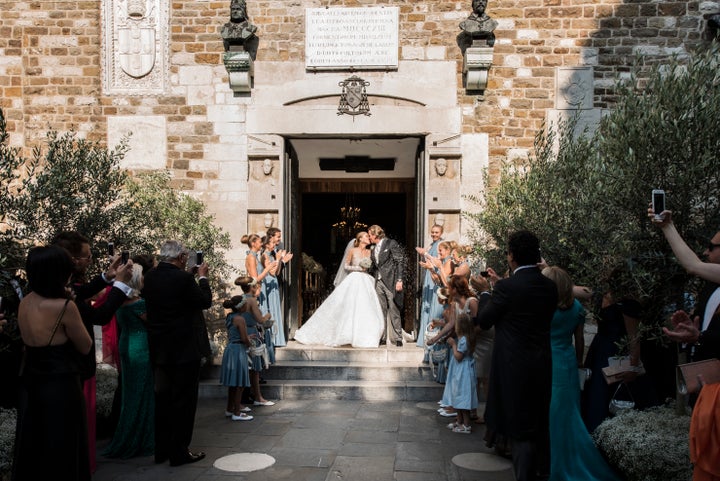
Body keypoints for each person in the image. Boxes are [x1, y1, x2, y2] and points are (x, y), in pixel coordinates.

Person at [475, 230, 558, 481]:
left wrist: (486, 292)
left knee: (520, 429)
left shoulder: (506, 287)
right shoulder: (550, 286)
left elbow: (485, 320)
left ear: (511, 257)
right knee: (537, 423)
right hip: (542, 363)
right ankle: (541, 471)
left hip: (513, 367)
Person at [52, 231, 133, 473]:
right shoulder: (64, 297)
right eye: (87, 257)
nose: (90, 260)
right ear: (73, 260)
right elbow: (100, 315)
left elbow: (82, 291)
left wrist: (106, 277)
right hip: (71, 368)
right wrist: (120, 284)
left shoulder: (59, 288)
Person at [650, 207, 720, 481]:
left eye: (712, 247)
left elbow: (693, 264)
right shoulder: (711, 288)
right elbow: (693, 264)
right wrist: (697, 334)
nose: (706, 251)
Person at [12, 245, 93, 481]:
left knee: (36, 445)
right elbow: (85, 345)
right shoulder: (65, 307)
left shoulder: (24, 302)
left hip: (32, 381)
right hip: (61, 384)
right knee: (64, 445)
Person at [542, 266, 622, 481]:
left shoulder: (544, 308)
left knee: (552, 413)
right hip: (567, 361)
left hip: (548, 360)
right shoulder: (576, 307)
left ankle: (552, 459)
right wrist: (578, 362)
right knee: (569, 411)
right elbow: (579, 341)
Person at [143, 240, 211, 467]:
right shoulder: (183, 279)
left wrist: (189, 276)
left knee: (162, 401)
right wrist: (202, 277)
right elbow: (204, 301)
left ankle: (161, 450)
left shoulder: (151, 276)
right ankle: (179, 452)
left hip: (159, 350)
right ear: (182, 257)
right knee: (183, 402)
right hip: (183, 350)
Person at [295, 231, 385, 348]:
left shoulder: (369, 251)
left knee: (365, 306)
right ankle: (345, 334)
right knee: (349, 306)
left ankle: (364, 334)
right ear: (360, 239)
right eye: (366, 236)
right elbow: (346, 266)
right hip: (354, 278)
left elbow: (373, 265)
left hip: (366, 280)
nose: (369, 238)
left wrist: (367, 267)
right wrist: (359, 267)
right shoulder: (352, 250)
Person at [102, 264, 155, 459]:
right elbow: (153, 322)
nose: (143, 280)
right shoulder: (137, 302)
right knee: (142, 391)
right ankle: (140, 438)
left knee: (129, 392)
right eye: (141, 277)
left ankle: (128, 434)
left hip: (126, 343)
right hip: (140, 346)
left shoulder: (120, 301)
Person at [581, 270, 644, 434]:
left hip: (615, 352)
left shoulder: (628, 304)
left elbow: (634, 337)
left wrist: (633, 367)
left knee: (604, 396)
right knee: (592, 394)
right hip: (599, 348)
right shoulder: (602, 294)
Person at [234, 276, 275, 406]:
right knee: (255, 370)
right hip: (251, 333)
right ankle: (258, 397)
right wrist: (269, 315)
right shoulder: (251, 300)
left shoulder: (241, 298)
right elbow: (261, 320)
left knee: (248, 368)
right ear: (252, 287)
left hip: (243, 332)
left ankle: (247, 398)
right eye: (256, 286)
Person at [368, 225, 407, 347]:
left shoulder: (391, 243)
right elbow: (375, 266)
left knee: (394, 309)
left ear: (375, 234)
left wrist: (399, 280)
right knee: (381, 310)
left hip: (391, 281)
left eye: (370, 235)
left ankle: (398, 337)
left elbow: (399, 261)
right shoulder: (373, 249)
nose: (369, 237)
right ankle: (383, 337)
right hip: (378, 282)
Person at [220, 295, 254, 421]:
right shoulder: (240, 319)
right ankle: (237, 412)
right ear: (241, 306)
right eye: (245, 304)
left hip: (230, 349)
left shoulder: (230, 316)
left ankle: (229, 408)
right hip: (238, 350)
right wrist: (251, 343)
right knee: (239, 383)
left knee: (232, 383)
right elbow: (244, 338)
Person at [445, 313, 478, 434]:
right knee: (457, 395)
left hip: (463, 371)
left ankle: (466, 424)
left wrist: (453, 345)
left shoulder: (464, 340)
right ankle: (459, 421)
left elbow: (459, 356)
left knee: (463, 396)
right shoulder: (465, 338)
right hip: (460, 370)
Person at [416, 225, 444, 348]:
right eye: (432, 232)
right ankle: (424, 338)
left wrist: (425, 253)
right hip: (428, 275)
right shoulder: (432, 244)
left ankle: (432, 337)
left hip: (435, 275)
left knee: (432, 303)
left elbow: (437, 261)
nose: (434, 234)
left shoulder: (440, 244)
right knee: (426, 304)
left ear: (441, 232)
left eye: (436, 232)